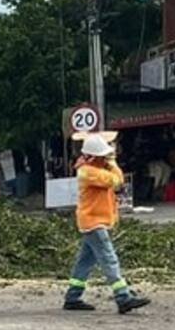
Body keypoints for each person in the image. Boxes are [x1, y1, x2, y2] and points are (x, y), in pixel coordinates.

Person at [64, 134, 151, 315]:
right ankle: (123, 297)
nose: (106, 158)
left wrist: (109, 162)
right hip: (94, 222)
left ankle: (73, 296)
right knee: (109, 258)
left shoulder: (93, 168)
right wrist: (113, 162)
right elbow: (117, 181)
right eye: (103, 155)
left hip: (95, 221)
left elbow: (117, 180)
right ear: (94, 156)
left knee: (85, 261)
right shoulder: (88, 172)